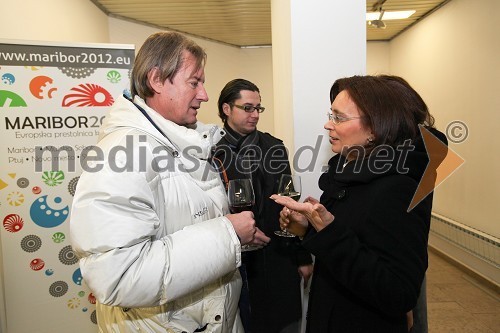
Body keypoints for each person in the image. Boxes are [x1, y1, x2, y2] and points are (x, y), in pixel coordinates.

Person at [70, 31, 259, 333]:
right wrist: (228, 233)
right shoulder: (123, 154)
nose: (205, 95)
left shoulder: (179, 143)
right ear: (156, 80)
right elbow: (119, 276)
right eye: (194, 82)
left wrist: (233, 233)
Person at [271, 75, 447, 332]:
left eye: (339, 118)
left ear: (375, 128)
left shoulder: (397, 188)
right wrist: (309, 229)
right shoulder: (352, 173)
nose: (328, 125)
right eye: (331, 115)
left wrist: (328, 231)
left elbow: (398, 292)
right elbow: (358, 245)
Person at [212, 78, 314, 333]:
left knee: (284, 323)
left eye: (258, 108)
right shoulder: (210, 151)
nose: (255, 114)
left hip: (278, 257)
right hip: (233, 262)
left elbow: (290, 204)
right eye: (247, 108)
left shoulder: (275, 148)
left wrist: (301, 256)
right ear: (227, 109)